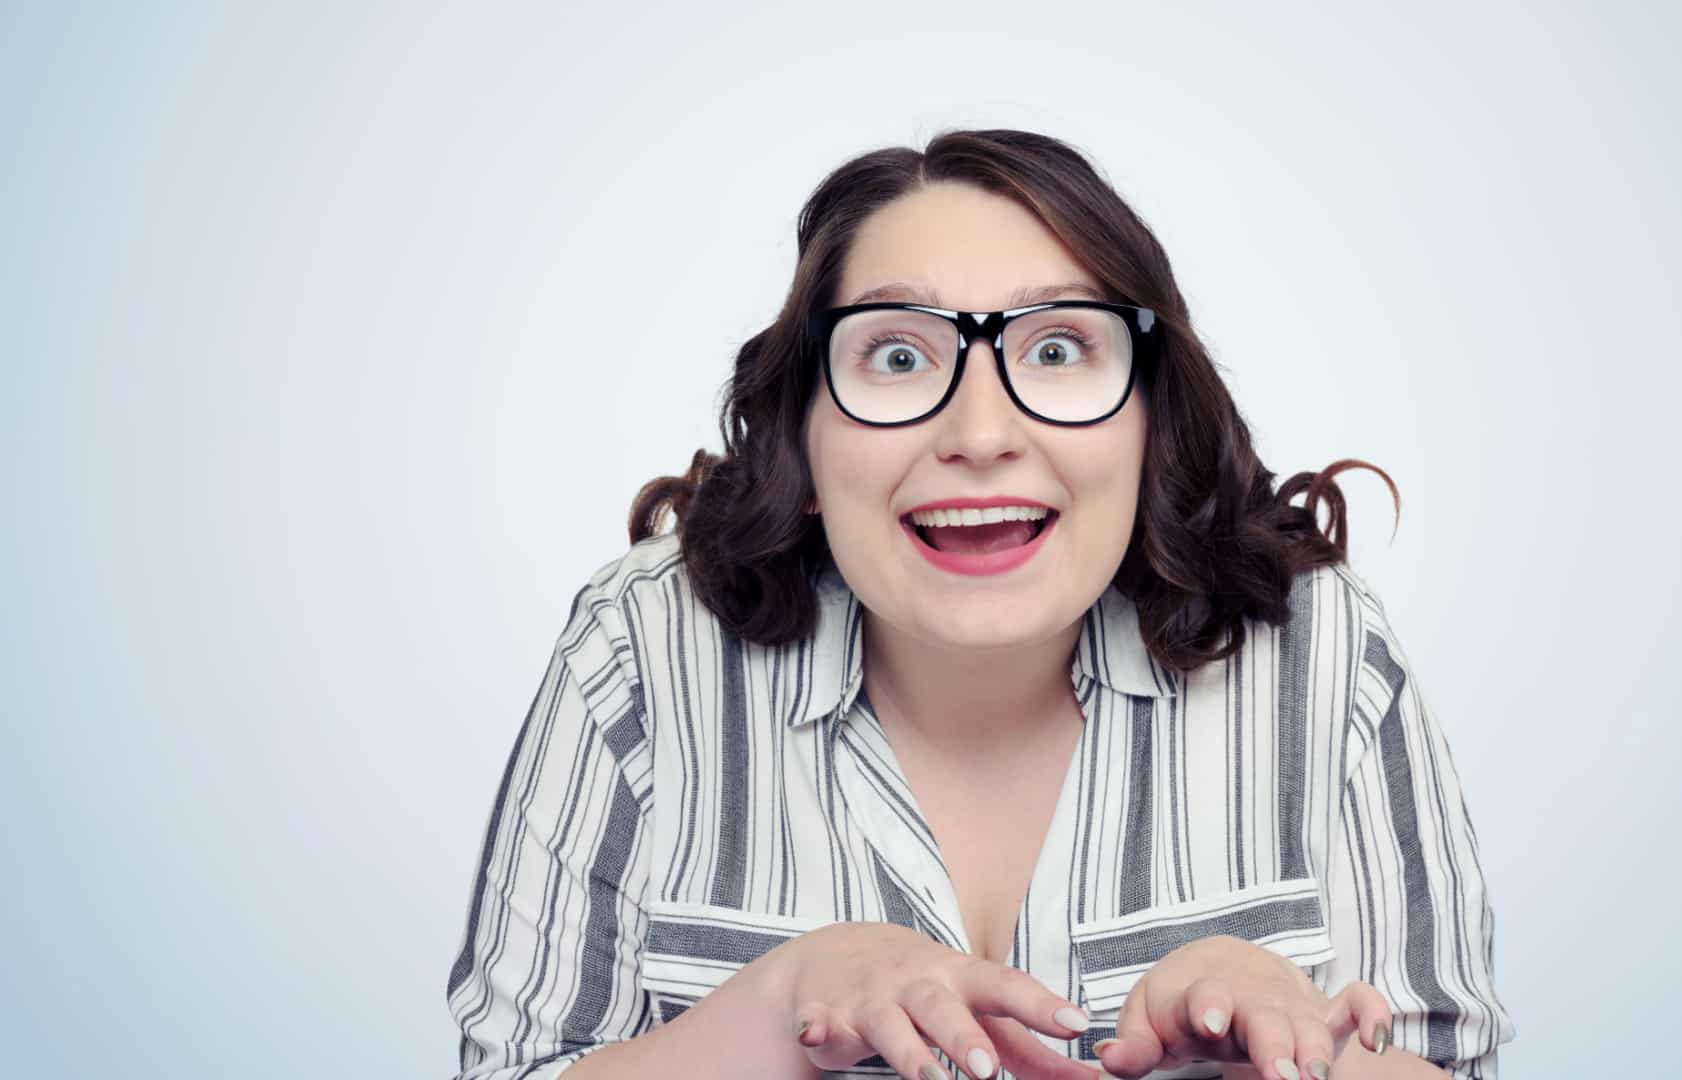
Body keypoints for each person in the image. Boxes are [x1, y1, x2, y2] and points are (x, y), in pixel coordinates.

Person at [444, 129, 1515, 1080]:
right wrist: (778, 1009)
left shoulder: (1319, 651)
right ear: (802, 441)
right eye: (899, 356)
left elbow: (1450, 1067)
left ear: (1152, 425)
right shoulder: (642, 647)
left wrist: (1273, 1060)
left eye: (1057, 349)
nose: (981, 432)